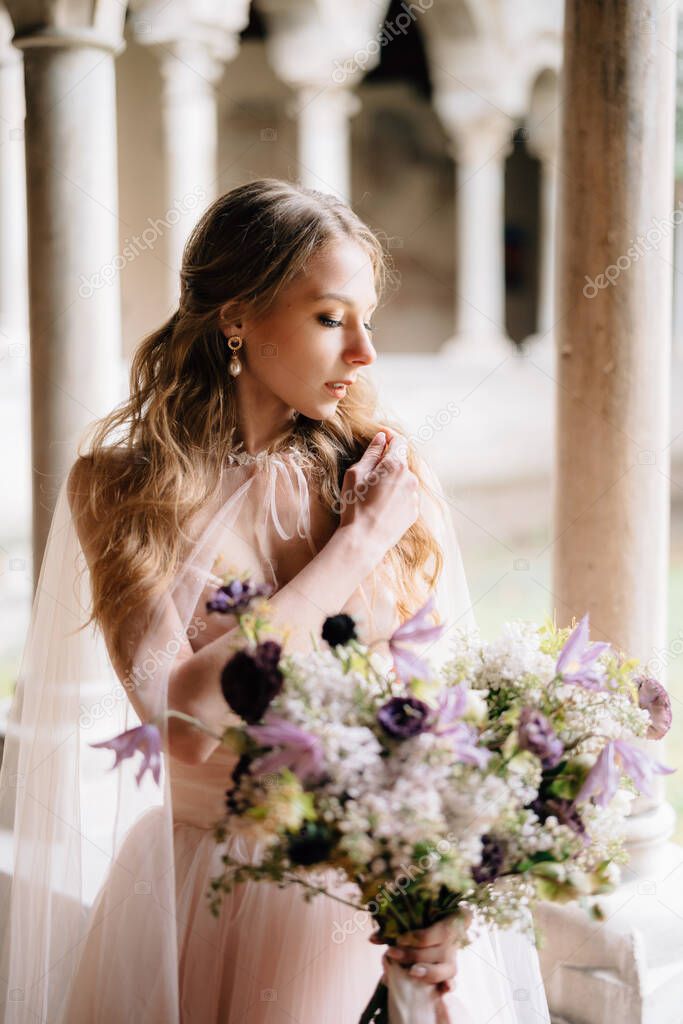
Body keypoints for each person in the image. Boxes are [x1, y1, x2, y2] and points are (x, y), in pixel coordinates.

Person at [0, 179, 550, 1023]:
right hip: (204, 897)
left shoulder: (387, 475)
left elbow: (440, 731)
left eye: (368, 319)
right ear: (236, 318)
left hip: (369, 904)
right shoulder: (118, 488)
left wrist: (448, 903)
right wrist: (354, 548)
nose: (364, 352)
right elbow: (181, 723)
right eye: (331, 318)